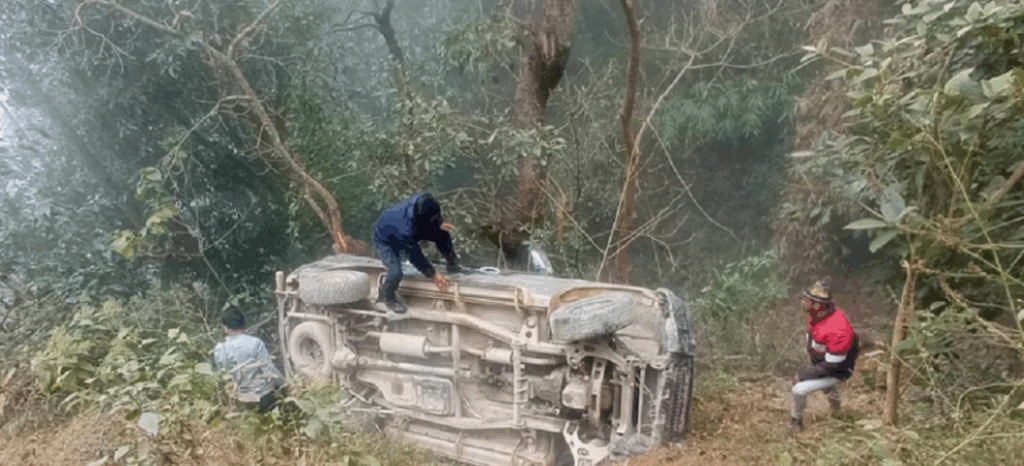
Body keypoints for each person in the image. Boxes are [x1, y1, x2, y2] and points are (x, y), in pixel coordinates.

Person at [790, 277, 860, 433]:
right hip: (826, 360)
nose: (803, 302)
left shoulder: (838, 328)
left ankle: (796, 420)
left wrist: (804, 374)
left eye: (808, 300)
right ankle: (837, 411)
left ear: (818, 305)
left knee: (799, 389)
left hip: (839, 368)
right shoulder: (818, 315)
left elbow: (833, 366)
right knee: (828, 386)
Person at [372, 192, 462, 314]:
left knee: (443, 235)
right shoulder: (406, 228)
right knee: (395, 272)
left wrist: (440, 224)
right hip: (385, 239)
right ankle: (387, 298)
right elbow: (415, 256)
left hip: (413, 226)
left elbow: (434, 215)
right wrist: (433, 275)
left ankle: (453, 265)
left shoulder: (426, 201)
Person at [213, 307, 286, 414]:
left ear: (225, 327)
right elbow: (270, 371)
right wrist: (285, 385)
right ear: (244, 325)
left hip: (238, 398)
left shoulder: (220, 348)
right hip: (262, 397)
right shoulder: (256, 343)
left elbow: (223, 375)